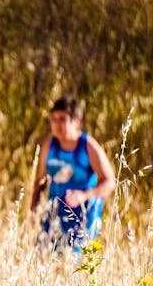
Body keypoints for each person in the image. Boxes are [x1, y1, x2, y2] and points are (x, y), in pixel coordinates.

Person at [30, 96, 116, 251]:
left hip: (83, 215)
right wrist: (33, 210)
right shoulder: (49, 147)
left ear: (76, 122)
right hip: (55, 211)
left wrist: (84, 195)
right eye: (54, 119)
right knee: (42, 256)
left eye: (62, 119)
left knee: (72, 263)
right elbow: (40, 181)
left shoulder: (88, 146)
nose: (57, 124)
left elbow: (109, 182)